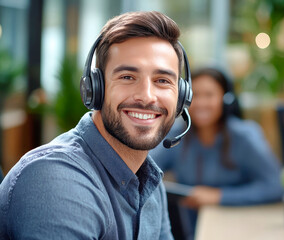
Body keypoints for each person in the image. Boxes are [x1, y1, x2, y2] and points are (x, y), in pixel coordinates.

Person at [0, 11, 192, 239]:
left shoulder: (148, 182)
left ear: (181, 97)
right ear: (95, 89)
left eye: (162, 81)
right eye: (127, 77)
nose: (147, 96)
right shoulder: (57, 180)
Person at [150, 67, 284, 231]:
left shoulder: (244, 136)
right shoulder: (177, 135)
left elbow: (276, 186)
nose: (201, 103)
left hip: (240, 227)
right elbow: (146, 169)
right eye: (195, 95)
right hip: (195, 231)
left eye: (209, 95)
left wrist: (219, 196)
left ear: (226, 100)